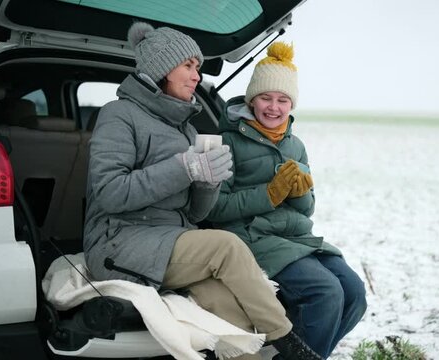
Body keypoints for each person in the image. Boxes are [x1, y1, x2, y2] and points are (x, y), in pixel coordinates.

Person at [83, 22, 322, 360]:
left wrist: (207, 183)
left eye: (197, 67)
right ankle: (291, 345)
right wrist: (186, 168)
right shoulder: (119, 115)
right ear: (163, 68)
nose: (197, 75)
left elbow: (195, 215)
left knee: (237, 326)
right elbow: (110, 193)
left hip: (171, 242)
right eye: (188, 66)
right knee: (225, 245)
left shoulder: (186, 127)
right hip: (118, 243)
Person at [207, 42, 367, 359]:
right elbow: (216, 209)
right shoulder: (226, 142)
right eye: (266, 97)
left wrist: (301, 192)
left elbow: (308, 210)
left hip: (296, 237)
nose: (273, 107)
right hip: (251, 237)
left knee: (355, 293)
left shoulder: (297, 146)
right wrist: (269, 194)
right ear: (252, 99)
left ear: (291, 104)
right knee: (326, 292)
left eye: (283, 100)